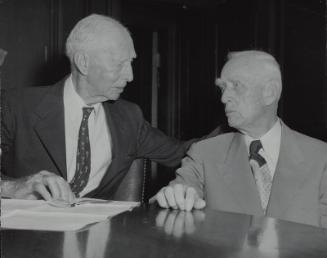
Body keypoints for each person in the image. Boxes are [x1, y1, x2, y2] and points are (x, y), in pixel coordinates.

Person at [1, 14, 194, 202]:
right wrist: (15, 187)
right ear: (83, 63)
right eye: (120, 64)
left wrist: (226, 126)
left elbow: (184, 152)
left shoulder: (129, 118)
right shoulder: (15, 106)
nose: (130, 76)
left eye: (131, 63)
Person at [156, 50, 327, 227]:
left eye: (236, 85)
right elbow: (175, 196)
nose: (224, 98)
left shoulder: (321, 158)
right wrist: (174, 199)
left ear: (269, 92)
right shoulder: (204, 154)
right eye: (222, 88)